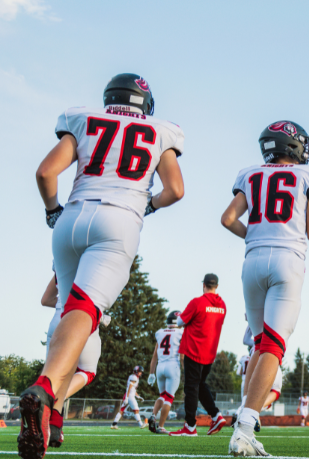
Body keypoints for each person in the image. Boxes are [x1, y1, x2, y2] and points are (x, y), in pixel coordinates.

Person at [20, 73, 184, 459]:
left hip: (70, 217)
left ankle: (49, 419)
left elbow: (45, 173)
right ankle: (46, 390)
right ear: (145, 104)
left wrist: (52, 212)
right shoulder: (161, 131)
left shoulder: (83, 119)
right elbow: (175, 190)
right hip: (119, 220)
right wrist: (149, 204)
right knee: (85, 307)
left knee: (64, 312)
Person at [223, 120, 309, 456]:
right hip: (287, 260)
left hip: (252, 261)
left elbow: (227, 219)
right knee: (273, 347)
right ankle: (245, 428)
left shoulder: (249, 174)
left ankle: (242, 423)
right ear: (292, 146)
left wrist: (255, 236)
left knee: (260, 345)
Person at [42, 267, 111, 447]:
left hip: (57, 321)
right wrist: (100, 315)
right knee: (87, 371)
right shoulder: (93, 265)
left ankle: (53, 427)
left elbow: (45, 300)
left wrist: (63, 304)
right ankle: (49, 399)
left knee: (53, 376)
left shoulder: (62, 265)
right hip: (80, 320)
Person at [169, 274, 228, 437]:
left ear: (204, 285)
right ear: (217, 286)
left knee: (191, 388)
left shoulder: (197, 302)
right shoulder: (222, 305)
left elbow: (179, 322)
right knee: (200, 385)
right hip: (210, 353)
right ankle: (216, 415)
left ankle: (189, 426)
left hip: (194, 350)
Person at [147, 311, 184, 434]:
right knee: (169, 397)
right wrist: (184, 371)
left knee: (162, 395)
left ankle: (153, 415)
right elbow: (182, 356)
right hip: (173, 366)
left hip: (160, 367)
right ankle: (161, 426)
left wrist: (151, 373)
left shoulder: (160, 332)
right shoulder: (181, 333)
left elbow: (154, 356)